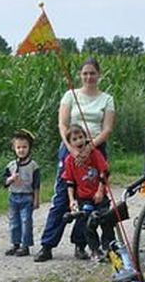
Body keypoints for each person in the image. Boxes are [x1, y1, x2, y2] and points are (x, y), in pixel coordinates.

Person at [35, 57, 116, 262]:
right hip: (70, 149)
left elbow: (107, 128)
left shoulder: (106, 99)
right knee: (63, 196)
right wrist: (72, 149)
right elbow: (62, 124)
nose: (89, 77)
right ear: (80, 75)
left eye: (93, 73)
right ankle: (47, 244)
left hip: (95, 149)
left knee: (89, 198)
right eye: (85, 73)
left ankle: (81, 244)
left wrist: (90, 147)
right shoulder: (70, 95)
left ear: (99, 75)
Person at [61, 125, 114, 261]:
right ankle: (94, 250)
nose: (79, 141)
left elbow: (105, 172)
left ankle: (109, 247)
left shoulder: (95, 154)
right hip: (83, 198)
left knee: (106, 220)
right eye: (75, 139)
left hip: (98, 195)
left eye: (81, 137)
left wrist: (100, 191)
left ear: (86, 138)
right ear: (70, 143)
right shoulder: (69, 160)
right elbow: (70, 182)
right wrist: (72, 200)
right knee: (87, 223)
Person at [2, 129, 41, 256]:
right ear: (14, 148)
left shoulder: (33, 166)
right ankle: (15, 244)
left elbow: (36, 184)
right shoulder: (11, 166)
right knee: (14, 221)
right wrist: (11, 179)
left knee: (26, 222)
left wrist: (36, 199)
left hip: (27, 197)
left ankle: (25, 246)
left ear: (29, 148)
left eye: (24, 147)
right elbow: (4, 182)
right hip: (13, 196)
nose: (21, 150)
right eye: (18, 147)